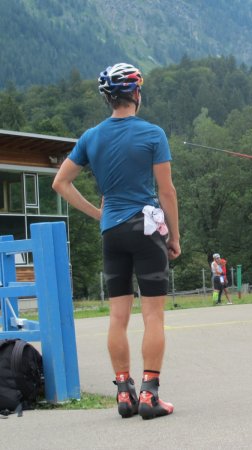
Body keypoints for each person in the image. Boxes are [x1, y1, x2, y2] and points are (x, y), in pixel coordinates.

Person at [52, 63, 180, 420]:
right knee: (153, 315)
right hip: (146, 228)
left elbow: (60, 183)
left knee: (117, 316)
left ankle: (123, 392)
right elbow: (167, 192)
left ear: (108, 97)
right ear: (137, 94)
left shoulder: (91, 137)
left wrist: (98, 214)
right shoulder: (153, 133)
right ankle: (149, 395)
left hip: (112, 232)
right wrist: (175, 236)